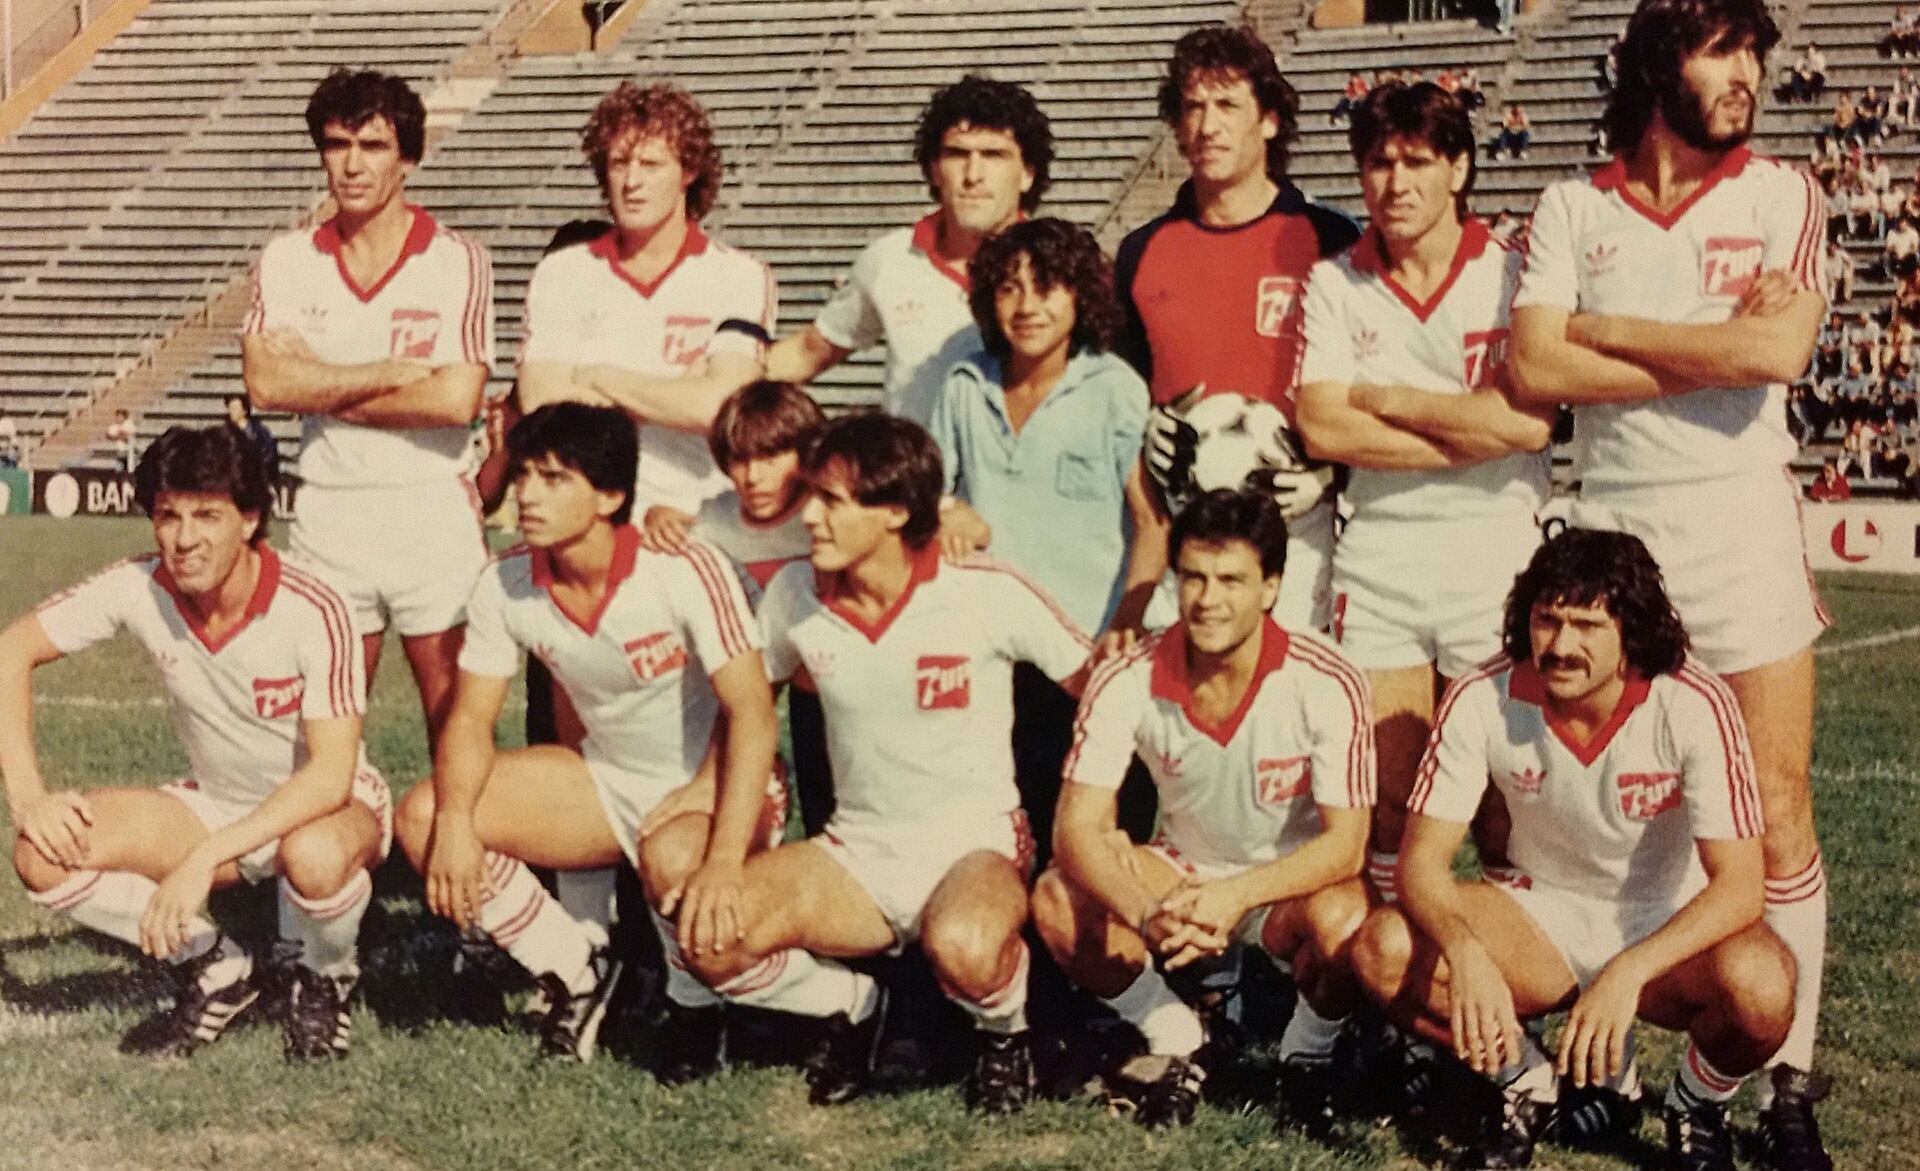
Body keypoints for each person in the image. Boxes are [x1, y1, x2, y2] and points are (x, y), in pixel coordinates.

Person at [1508, 0, 1833, 1163]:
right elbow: (1535, 365)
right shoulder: (1571, 205)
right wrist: (1703, 344)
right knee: (1596, 810)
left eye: (1753, 52)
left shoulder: (1784, 194)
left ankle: (1786, 1082)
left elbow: (1776, 353)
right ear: (1657, 63)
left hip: (1741, 530)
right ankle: (1597, 1060)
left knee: (1777, 807)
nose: (1746, 73)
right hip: (1611, 542)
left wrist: (1606, 330)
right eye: (1719, 49)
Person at [678, 414, 1094, 1116]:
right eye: (812, 495)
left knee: (965, 945)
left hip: (974, 844)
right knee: (710, 939)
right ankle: (852, 1003)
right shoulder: (796, 594)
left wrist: (1097, 818)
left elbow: (1100, 688)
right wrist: (719, 849)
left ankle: (1005, 1034)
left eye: (832, 500)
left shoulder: (982, 589)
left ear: (896, 510)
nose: (809, 515)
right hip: (858, 850)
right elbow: (749, 709)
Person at [1351, 528, 1794, 1171]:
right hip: (1540, 914)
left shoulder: (1692, 700)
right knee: (1382, 948)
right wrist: (1464, 950)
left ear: (1631, 631)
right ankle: (1527, 1085)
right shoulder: (1483, 693)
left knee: (1763, 986)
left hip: (1661, 918)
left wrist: (1628, 972)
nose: (1560, 646)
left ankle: (1696, 1103)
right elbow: (1421, 863)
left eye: (1587, 625)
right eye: (1546, 620)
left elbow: (1740, 887)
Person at [394, 402, 812, 1074]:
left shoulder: (682, 568)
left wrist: (725, 856)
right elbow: (469, 719)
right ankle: (577, 972)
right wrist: (455, 820)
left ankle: (696, 1009)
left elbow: (753, 713)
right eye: (524, 474)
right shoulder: (504, 582)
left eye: (555, 478)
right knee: (422, 815)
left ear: (611, 496)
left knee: (677, 862)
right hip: (605, 778)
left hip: (720, 783)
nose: (528, 494)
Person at [0, 424, 388, 1061]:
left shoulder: (315, 607)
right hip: (216, 801)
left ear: (251, 519)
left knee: (314, 855)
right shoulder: (139, 585)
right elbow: (11, 649)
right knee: (43, 855)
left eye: (207, 516)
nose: (184, 539)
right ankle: (218, 966)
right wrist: (29, 799)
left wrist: (205, 858)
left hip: (323, 808)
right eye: (168, 515)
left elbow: (330, 776)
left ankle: (325, 977)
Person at [1031, 489, 1374, 1133]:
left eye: (1231, 580)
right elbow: (1075, 829)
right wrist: (1146, 913)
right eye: (1193, 577)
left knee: (1348, 920)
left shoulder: (1327, 678)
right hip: (1183, 873)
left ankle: (1306, 1054)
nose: (1208, 599)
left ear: (1271, 587)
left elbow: (1346, 845)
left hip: (1285, 885)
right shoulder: (1127, 673)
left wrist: (1236, 896)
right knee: (1057, 897)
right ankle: (1180, 1037)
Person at [1296, 82, 1553, 911]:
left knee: (1505, 801)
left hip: (1499, 560)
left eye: (1417, 161)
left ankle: (1513, 969)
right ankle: (1390, 974)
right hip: (1382, 560)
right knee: (1390, 801)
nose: (1396, 182)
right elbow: (1323, 427)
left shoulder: (1513, 271)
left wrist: (1390, 399)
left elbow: (1531, 422)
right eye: (1379, 163)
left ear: (1460, 168)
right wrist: (1473, 425)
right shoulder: (1335, 282)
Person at [242, 68, 493, 750]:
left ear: (406, 158)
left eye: (373, 146)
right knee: (320, 733)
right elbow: (265, 386)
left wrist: (317, 382)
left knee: (457, 725)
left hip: (431, 513)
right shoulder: (289, 258)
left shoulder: (457, 260)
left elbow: (455, 399)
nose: (352, 165)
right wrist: (379, 374)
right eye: (337, 144)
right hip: (329, 513)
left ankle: (461, 828)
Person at [1116, 23, 1360, 634]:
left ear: (1269, 121)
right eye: (1193, 107)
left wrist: (1335, 471)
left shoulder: (1330, 240)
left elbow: (1373, 379)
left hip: (1300, 530)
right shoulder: (1141, 252)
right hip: (1185, 534)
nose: (1208, 125)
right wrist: (1144, 439)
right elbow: (1120, 397)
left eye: (1227, 105)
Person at [518, 81, 774, 520]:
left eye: (651, 164)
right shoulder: (563, 271)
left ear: (688, 171)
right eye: (619, 163)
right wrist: (678, 391)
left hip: (694, 519)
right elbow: (541, 402)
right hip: (591, 524)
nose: (632, 182)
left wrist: (597, 375)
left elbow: (723, 409)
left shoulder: (738, 275)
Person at [765, 75, 1053, 426]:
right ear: (934, 170)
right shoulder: (891, 258)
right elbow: (809, 351)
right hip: (918, 462)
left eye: (994, 155)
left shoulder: (1061, 268)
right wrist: (718, 385)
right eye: (957, 154)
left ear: (1027, 174)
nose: (973, 174)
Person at [640, 380, 833, 835]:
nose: (753, 477)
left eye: (771, 457)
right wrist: (657, 517)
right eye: (740, 460)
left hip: (824, 684)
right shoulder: (718, 517)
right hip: (752, 681)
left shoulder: (826, 508)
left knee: (833, 809)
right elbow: (678, 531)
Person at [224, 394, 278, 491]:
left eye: (234, 408)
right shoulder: (225, 432)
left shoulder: (259, 432)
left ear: (244, 410)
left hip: (257, 478)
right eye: (230, 408)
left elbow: (269, 452)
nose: (231, 411)